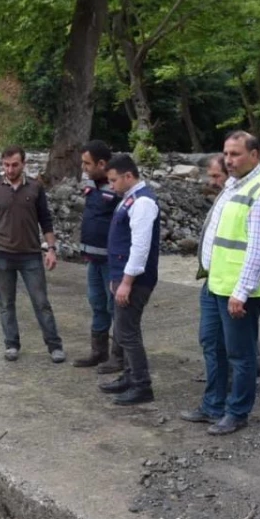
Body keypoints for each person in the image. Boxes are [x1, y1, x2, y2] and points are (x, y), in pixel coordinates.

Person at [182, 131, 260, 435]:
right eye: (226, 153)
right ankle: (213, 405)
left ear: (255, 155)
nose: (229, 160)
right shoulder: (233, 184)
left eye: (236, 154)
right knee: (212, 344)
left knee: (241, 353)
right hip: (216, 283)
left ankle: (237, 412)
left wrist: (241, 292)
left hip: (238, 290)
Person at [0, 147, 65, 363]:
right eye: (6, 165)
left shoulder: (36, 188)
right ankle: (11, 344)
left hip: (31, 255)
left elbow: (46, 220)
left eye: (14, 165)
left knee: (41, 302)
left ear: (24, 163)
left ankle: (54, 345)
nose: (9, 169)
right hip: (3, 255)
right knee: (6, 303)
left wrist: (51, 249)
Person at [199, 154, 260, 377]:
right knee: (225, 335)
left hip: (234, 279)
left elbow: (258, 248)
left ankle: (240, 380)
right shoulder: (225, 196)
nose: (212, 181)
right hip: (219, 275)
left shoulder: (248, 196)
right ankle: (239, 372)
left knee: (236, 338)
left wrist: (242, 288)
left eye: (216, 175)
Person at [98, 154, 159, 406]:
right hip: (124, 276)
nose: (111, 186)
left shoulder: (143, 203)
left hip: (136, 280)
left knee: (128, 332)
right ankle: (130, 376)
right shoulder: (130, 198)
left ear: (128, 176)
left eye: (114, 181)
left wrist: (126, 282)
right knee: (125, 329)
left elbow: (140, 247)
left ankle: (142, 385)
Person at [72, 140, 122, 368]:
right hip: (93, 260)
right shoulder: (92, 185)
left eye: (87, 163)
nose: (84, 168)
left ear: (102, 164)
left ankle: (119, 356)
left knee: (116, 308)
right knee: (97, 304)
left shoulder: (118, 188)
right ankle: (99, 352)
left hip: (112, 262)